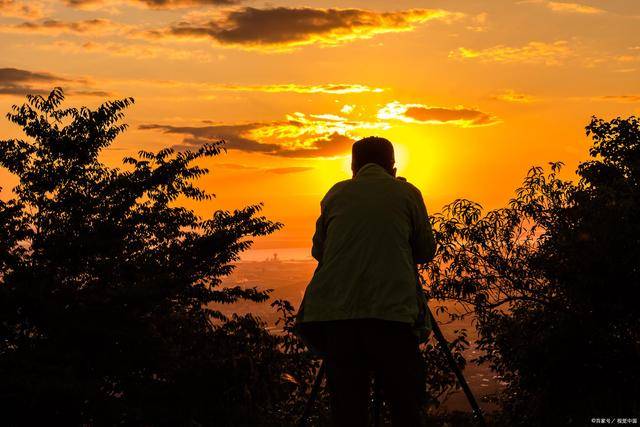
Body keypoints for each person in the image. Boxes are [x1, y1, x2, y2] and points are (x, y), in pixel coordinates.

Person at [296, 136, 437, 427]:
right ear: (393, 167)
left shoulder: (335, 194)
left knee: (348, 411)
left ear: (353, 166)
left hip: (337, 316)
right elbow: (425, 251)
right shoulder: (407, 193)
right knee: (404, 407)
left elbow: (319, 251)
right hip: (392, 315)